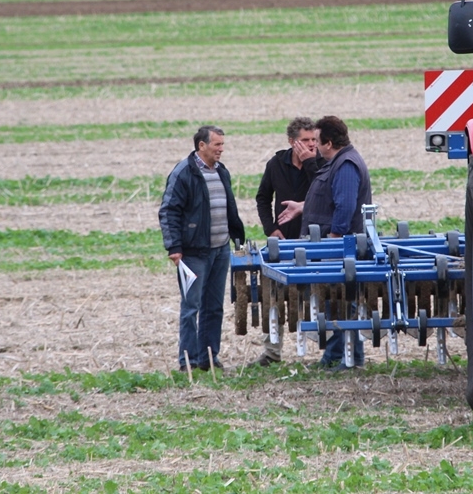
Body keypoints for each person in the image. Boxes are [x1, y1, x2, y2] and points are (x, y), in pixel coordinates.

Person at [276, 115, 372, 370]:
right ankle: (336, 355)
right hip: (332, 245)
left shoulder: (347, 165)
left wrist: (333, 239)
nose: (314, 146)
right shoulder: (337, 163)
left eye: (317, 140)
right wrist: (303, 206)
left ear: (328, 142)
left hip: (339, 247)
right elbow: (332, 197)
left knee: (341, 300)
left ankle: (347, 358)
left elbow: (346, 205)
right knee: (334, 301)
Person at [159, 125, 245, 372]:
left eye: (222, 144)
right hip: (193, 253)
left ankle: (209, 357)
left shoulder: (221, 171)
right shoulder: (184, 172)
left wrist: (236, 236)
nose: (221, 149)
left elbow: (228, 207)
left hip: (220, 250)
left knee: (214, 306)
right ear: (202, 146)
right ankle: (188, 361)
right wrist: (174, 247)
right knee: (191, 308)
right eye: (217, 144)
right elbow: (168, 211)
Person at [250, 117, 319, 367]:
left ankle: (330, 349)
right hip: (283, 241)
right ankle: (271, 352)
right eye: (305, 140)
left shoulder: (321, 163)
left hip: (315, 241)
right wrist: (272, 229)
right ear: (292, 141)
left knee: (319, 294)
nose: (311, 145)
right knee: (274, 295)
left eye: (314, 140)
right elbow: (262, 198)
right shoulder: (277, 164)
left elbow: (324, 191)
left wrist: (311, 163)